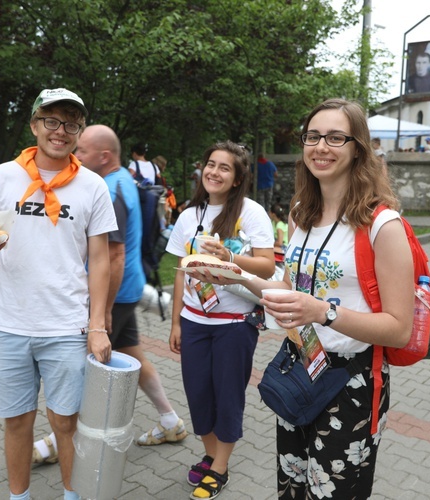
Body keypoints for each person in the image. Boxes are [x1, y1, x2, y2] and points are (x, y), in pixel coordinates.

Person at [199, 99, 414, 498]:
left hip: (351, 381)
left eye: (336, 137)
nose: (321, 147)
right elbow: (286, 288)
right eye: (313, 136)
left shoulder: (382, 224)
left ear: (357, 148)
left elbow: (399, 330)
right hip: (299, 366)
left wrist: (322, 311)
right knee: (291, 488)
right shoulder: (302, 214)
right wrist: (236, 275)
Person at [0, 88, 116, 500]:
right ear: (35, 125)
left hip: (66, 325)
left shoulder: (92, 186)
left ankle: (73, 495)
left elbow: (100, 259)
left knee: (66, 422)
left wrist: (97, 326)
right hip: (9, 324)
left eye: (71, 123)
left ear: (79, 132)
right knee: (17, 421)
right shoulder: (3, 176)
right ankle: (19, 497)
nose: (60, 131)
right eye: (51, 120)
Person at [30, 124, 187, 466]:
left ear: (105, 156)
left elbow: (113, 255)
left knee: (87, 368)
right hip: (127, 289)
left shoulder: (109, 190)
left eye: (82, 151)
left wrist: (101, 313)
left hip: (114, 293)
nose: (76, 155)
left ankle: (58, 441)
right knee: (134, 353)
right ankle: (170, 421)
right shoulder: (124, 180)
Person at [167, 140, 275, 499]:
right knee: (198, 394)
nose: (214, 172)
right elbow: (181, 270)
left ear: (237, 177)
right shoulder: (188, 215)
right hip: (194, 320)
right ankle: (211, 453)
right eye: (211, 164)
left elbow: (267, 264)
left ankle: (220, 467)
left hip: (234, 324)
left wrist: (230, 255)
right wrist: (175, 323)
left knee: (227, 395)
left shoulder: (251, 213)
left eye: (224, 167)